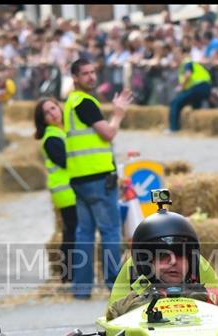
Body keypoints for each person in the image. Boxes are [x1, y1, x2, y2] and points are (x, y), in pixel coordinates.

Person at [64, 58, 133, 299]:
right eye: (85, 74)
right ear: (75, 77)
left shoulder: (70, 103)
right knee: (111, 231)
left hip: (79, 178)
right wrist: (118, 114)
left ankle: (81, 289)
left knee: (84, 233)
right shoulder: (85, 103)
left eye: (93, 72)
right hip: (98, 178)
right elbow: (108, 133)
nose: (91, 77)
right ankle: (115, 286)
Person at [106, 192, 218, 321]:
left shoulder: (214, 298)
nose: (173, 261)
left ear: (191, 261)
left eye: (180, 254)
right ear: (147, 263)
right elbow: (111, 327)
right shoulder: (124, 307)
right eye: (162, 255)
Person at [34, 98, 77, 284]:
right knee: (71, 233)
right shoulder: (51, 138)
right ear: (43, 119)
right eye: (47, 112)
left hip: (70, 188)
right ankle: (68, 275)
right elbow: (67, 161)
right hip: (65, 191)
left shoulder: (63, 131)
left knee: (72, 231)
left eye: (53, 108)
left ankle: (69, 274)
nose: (53, 113)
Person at [168, 47, 212, 131]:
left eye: (176, 54)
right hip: (204, 87)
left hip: (198, 87)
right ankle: (197, 129)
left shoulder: (186, 62)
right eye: (174, 55)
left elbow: (188, 74)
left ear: (182, 54)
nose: (175, 57)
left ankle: (173, 128)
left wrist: (181, 86)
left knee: (175, 103)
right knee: (195, 106)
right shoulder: (185, 64)